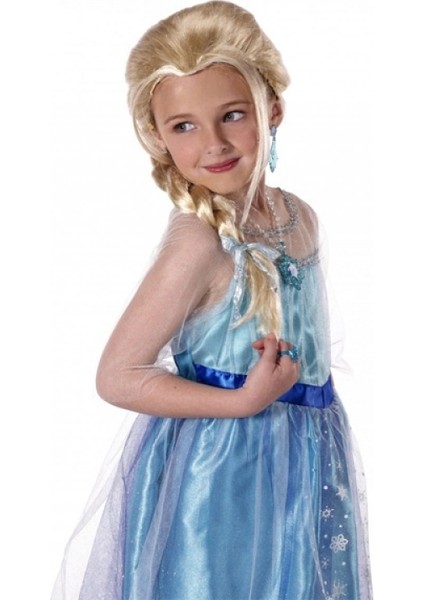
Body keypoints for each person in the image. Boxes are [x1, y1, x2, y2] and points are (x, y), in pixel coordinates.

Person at [52, 2, 372, 598]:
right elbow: (117, 375)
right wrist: (243, 402)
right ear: (157, 137)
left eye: (232, 115)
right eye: (184, 126)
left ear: (273, 108)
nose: (214, 143)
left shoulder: (299, 217)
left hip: (305, 457)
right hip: (221, 469)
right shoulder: (199, 244)